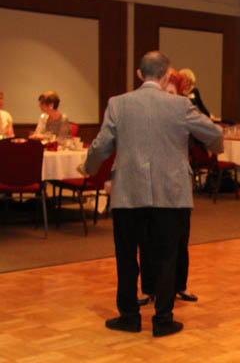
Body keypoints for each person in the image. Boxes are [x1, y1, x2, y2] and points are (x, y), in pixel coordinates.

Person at [83, 51, 223, 337]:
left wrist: (89, 168)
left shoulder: (117, 104)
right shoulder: (180, 105)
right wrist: (215, 151)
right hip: (170, 192)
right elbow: (215, 134)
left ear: (139, 73)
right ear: (166, 76)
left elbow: (101, 146)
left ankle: (129, 317)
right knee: (167, 255)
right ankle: (163, 320)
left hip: (128, 190)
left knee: (126, 255)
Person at [137, 68, 200, 306]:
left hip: (177, 183)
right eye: (165, 91)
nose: (168, 96)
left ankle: (179, 286)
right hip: (149, 180)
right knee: (147, 236)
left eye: (172, 92)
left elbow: (198, 142)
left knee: (180, 238)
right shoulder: (146, 113)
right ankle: (148, 288)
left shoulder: (185, 112)